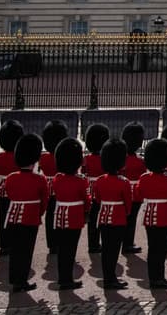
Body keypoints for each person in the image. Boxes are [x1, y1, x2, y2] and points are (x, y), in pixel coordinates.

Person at [5, 133, 48, 293]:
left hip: (13, 216)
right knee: (26, 250)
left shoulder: (11, 178)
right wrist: (39, 214)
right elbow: (44, 202)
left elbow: (9, 194)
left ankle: (14, 278)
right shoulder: (39, 180)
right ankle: (21, 280)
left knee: (15, 250)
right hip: (30, 217)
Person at [137, 137, 167, 289]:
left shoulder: (144, 178)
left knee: (152, 248)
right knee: (160, 251)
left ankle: (153, 278)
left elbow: (139, 195)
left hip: (149, 217)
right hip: (165, 217)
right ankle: (159, 278)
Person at [50, 137, 88, 291]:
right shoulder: (80, 181)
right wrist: (87, 213)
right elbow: (86, 200)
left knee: (62, 250)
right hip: (74, 217)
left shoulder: (57, 179)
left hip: (60, 217)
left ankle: (63, 278)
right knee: (70, 250)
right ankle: (67, 280)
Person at [93, 138, 132, 290]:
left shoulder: (99, 180)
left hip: (103, 218)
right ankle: (111, 279)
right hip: (118, 219)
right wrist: (126, 214)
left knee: (106, 250)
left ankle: (108, 277)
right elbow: (128, 204)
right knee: (113, 251)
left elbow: (97, 198)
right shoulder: (124, 182)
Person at [0, 118, 23, 257]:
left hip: (2, 189)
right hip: (17, 189)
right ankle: (15, 243)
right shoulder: (20, 156)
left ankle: (4, 245)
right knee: (17, 218)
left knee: (3, 217)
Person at [39, 119, 69, 256]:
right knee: (61, 215)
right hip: (61, 187)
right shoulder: (62, 156)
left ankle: (52, 245)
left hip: (47, 188)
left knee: (50, 216)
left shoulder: (43, 158)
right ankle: (61, 242)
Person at [81, 123, 109, 255]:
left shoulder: (86, 159)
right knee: (102, 218)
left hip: (90, 190)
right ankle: (99, 243)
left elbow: (83, 172)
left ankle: (92, 245)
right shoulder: (105, 158)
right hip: (102, 190)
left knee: (92, 220)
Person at [120, 122, 146, 255]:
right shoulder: (140, 162)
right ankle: (128, 244)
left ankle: (121, 242)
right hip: (135, 194)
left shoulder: (120, 159)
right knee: (131, 220)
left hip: (120, 193)